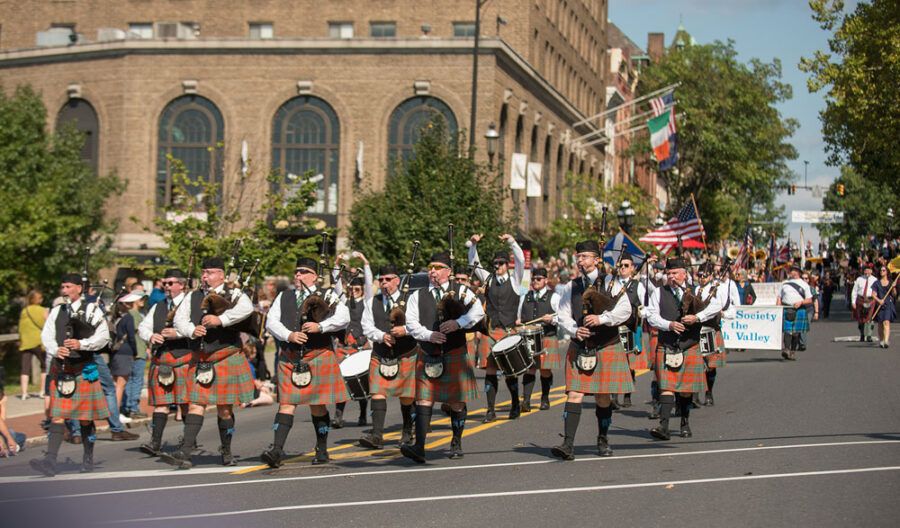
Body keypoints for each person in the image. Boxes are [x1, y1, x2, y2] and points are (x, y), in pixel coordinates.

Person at [161, 257, 255, 469]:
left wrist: (220, 320)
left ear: (221, 274)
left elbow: (247, 309)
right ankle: (185, 452)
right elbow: (180, 320)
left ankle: (227, 450)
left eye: (210, 272)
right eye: (203, 272)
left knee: (224, 409)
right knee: (196, 404)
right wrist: (191, 330)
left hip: (225, 355)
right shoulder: (192, 296)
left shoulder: (235, 294)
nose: (205, 276)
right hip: (201, 357)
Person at [259, 257, 350, 467]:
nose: (298, 275)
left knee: (317, 406)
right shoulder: (284, 296)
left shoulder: (327, 294)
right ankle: (277, 450)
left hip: (318, 355)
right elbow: (272, 322)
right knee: (286, 404)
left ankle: (322, 448)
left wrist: (322, 327)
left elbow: (344, 317)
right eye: (296, 272)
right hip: (291, 357)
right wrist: (289, 335)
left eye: (303, 272)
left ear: (315, 276)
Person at [551, 240, 633, 460]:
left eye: (585, 256)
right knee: (574, 393)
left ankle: (603, 438)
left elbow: (626, 310)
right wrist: (574, 330)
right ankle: (568, 445)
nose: (580, 261)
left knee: (602, 396)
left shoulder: (611, 282)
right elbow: (563, 314)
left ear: (597, 259)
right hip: (581, 345)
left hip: (606, 344)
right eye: (578, 257)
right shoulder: (572, 286)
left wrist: (602, 318)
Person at [400, 252, 485, 462]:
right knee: (423, 399)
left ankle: (456, 442)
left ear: (448, 271)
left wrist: (459, 323)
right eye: (431, 267)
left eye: (438, 267)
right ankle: (419, 446)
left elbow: (478, 312)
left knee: (456, 402)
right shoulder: (417, 295)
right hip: (428, 352)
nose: (433, 271)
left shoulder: (461, 291)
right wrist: (429, 335)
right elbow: (411, 323)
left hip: (454, 351)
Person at [31, 273, 112, 476]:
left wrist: (81, 344)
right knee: (57, 416)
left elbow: (103, 337)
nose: (64, 290)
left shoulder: (93, 310)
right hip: (62, 369)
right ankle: (50, 461)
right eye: (63, 287)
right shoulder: (58, 310)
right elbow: (46, 335)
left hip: (83, 369)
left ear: (79, 288)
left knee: (85, 419)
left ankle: (87, 458)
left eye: (68, 287)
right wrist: (55, 349)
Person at [644, 257, 722, 441]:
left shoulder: (696, 290)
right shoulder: (659, 292)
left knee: (686, 389)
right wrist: (668, 324)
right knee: (667, 386)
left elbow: (716, 305)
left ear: (684, 274)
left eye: (674, 273)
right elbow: (651, 315)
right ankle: (663, 426)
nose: (671, 276)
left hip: (690, 345)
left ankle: (684, 422)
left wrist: (698, 317)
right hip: (667, 344)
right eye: (668, 273)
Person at [358, 264, 418, 449]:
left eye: (388, 279)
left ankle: (408, 431)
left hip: (406, 353)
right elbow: (366, 326)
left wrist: (405, 330)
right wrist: (381, 336)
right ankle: (376, 435)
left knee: (407, 396)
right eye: (381, 280)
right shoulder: (371, 302)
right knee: (377, 392)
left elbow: (419, 324)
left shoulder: (410, 300)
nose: (384, 283)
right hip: (381, 352)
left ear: (397, 281)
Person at [468, 233, 526, 422]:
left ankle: (515, 403)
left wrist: (511, 241)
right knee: (490, 371)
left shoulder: (516, 280)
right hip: (491, 331)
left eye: (501, 263)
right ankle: (490, 410)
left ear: (507, 264)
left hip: (509, 331)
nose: (497, 266)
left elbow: (520, 259)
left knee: (510, 372)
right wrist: (473, 246)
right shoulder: (489, 278)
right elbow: (474, 264)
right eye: (495, 263)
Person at [137, 269, 191, 456]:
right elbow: (143, 327)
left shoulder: (190, 303)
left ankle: (188, 440)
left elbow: (197, 327)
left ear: (181, 285)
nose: (166, 287)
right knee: (161, 402)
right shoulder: (159, 306)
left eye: (170, 283)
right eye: (165, 283)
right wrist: (151, 336)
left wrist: (178, 333)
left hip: (184, 357)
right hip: (162, 359)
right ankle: (155, 443)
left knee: (184, 402)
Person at [602, 252, 646, 409]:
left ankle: (627, 394)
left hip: (631, 326)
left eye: (626, 266)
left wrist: (642, 312)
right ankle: (613, 397)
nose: (623, 269)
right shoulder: (611, 283)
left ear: (632, 268)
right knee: (615, 363)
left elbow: (645, 305)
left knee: (630, 362)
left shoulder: (637, 285)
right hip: (614, 326)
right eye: (620, 266)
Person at [517, 267, 560, 411]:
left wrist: (552, 319)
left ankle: (545, 398)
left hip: (547, 337)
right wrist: (518, 321)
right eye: (534, 279)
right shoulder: (525, 296)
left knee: (544, 370)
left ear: (545, 281)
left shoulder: (554, 297)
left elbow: (563, 316)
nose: (535, 281)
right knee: (529, 369)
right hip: (528, 339)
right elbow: (519, 316)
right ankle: (526, 401)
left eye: (539, 279)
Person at [109, 293, 141, 425]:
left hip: (115, 352)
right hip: (126, 352)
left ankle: (114, 412)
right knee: (121, 385)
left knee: (116, 384)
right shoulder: (128, 318)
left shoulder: (115, 318)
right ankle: (116, 414)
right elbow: (132, 337)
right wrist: (135, 351)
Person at [778, 265, 814, 361]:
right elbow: (779, 297)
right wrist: (778, 307)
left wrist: (801, 302)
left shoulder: (804, 285)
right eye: (791, 270)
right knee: (787, 330)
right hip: (787, 307)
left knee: (796, 333)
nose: (792, 272)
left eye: (794, 270)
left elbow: (810, 300)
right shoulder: (784, 283)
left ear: (798, 272)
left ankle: (792, 351)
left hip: (800, 309)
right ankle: (786, 349)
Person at [18, 290, 48, 400]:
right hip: (38, 342)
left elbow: (21, 327)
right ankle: (42, 391)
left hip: (26, 342)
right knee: (45, 366)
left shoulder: (24, 311)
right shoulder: (43, 310)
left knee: (24, 368)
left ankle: (24, 393)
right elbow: (47, 325)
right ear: (38, 299)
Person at [123, 292, 149, 419]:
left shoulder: (128, 315)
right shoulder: (136, 316)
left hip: (132, 352)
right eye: (141, 299)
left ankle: (127, 406)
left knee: (129, 381)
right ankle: (133, 407)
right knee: (137, 381)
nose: (143, 300)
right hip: (139, 352)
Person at [851, 264, 878, 342]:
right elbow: (854, 291)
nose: (867, 271)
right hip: (860, 300)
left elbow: (878, 291)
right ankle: (862, 335)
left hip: (871, 300)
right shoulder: (859, 279)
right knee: (861, 319)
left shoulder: (875, 280)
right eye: (865, 270)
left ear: (871, 271)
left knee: (870, 318)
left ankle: (869, 335)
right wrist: (853, 302)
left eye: (869, 269)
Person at [872, 265, 896, 348]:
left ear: (887, 272)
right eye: (881, 270)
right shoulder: (876, 283)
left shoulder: (891, 282)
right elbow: (873, 295)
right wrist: (879, 300)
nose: (882, 271)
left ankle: (886, 341)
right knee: (880, 324)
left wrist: (893, 287)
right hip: (879, 305)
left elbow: (894, 294)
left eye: (883, 270)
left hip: (888, 305)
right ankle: (881, 340)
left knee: (886, 322)